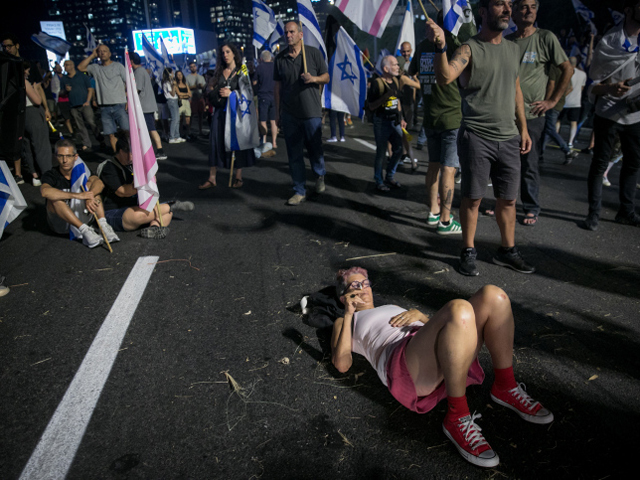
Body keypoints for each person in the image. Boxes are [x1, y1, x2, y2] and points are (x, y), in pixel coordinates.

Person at [331, 267, 553, 468]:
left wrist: (423, 317)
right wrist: (349, 313)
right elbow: (342, 364)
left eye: (366, 283)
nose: (363, 289)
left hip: (435, 352)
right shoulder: (345, 322)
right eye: (355, 286)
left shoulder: (389, 306)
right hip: (403, 364)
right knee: (459, 307)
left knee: (494, 295)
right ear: (344, 297)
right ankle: (457, 417)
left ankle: (505, 386)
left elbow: (452, 329)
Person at [426, 0, 534, 276]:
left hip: (509, 137)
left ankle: (507, 251)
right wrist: (440, 47)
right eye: (500, 4)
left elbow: (516, 89)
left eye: (510, 4)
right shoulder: (468, 48)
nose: (508, 9)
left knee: (508, 200)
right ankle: (467, 250)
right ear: (483, 12)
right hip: (477, 137)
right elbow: (445, 77)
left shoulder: (513, 48)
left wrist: (523, 128)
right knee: (473, 198)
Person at [506, 0, 574, 227]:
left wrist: (552, 101)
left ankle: (531, 207)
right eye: (523, 6)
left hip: (533, 116)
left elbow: (567, 68)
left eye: (533, 6)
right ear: (513, 13)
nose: (529, 10)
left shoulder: (545, 37)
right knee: (505, 163)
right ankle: (505, 202)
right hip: (507, 116)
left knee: (529, 164)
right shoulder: (507, 41)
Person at [409, 11, 475, 235]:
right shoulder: (454, 43)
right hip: (451, 117)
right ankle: (446, 222)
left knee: (433, 166)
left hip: (430, 116)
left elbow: (413, 73)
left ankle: (433, 212)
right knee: (449, 169)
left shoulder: (421, 46)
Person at [582, 0, 640, 230]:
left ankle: (626, 211)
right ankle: (593, 214)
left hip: (635, 116)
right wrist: (610, 88)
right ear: (628, 10)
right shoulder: (609, 41)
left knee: (633, 165)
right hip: (608, 113)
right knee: (599, 164)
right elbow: (593, 82)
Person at [274, 21, 329, 206]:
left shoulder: (313, 53)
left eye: (292, 32)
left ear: (300, 34)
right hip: (289, 113)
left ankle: (319, 174)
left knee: (315, 149)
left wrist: (313, 78)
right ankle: (299, 190)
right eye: (286, 32)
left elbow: (326, 77)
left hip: (311, 111)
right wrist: (278, 111)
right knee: (294, 154)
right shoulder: (280, 58)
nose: (288, 35)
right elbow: (277, 87)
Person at [99, 132, 194, 239]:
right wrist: (143, 183)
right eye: (129, 153)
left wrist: (150, 177)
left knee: (167, 213)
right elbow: (122, 192)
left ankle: (154, 228)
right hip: (114, 212)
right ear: (120, 151)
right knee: (139, 216)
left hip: (135, 207)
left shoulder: (132, 164)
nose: (132, 157)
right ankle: (171, 205)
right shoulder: (109, 167)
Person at [40, 139, 119, 248]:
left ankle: (103, 225)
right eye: (61, 156)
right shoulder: (51, 174)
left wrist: (89, 196)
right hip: (62, 224)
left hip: (84, 215)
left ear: (75, 157)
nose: (64, 160)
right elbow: (44, 192)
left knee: (92, 188)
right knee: (55, 198)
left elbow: (99, 183)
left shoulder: (80, 171)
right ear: (56, 157)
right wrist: (77, 195)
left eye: (68, 156)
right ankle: (84, 230)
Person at [199, 43, 256, 190]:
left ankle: (238, 176)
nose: (225, 55)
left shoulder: (241, 71)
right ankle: (212, 178)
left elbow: (248, 93)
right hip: (219, 113)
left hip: (236, 114)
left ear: (234, 53)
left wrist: (232, 94)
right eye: (223, 52)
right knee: (215, 143)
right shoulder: (218, 72)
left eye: (228, 51)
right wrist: (212, 90)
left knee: (237, 144)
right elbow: (210, 89)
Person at [368, 56, 418, 192]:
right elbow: (371, 106)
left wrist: (401, 118)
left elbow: (398, 101)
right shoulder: (376, 83)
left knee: (398, 149)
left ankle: (389, 176)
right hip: (381, 122)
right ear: (386, 68)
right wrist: (385, 96)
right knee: (381, 152)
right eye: (395, 65)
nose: (398, 67)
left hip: (394, 121)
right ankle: (378, 180)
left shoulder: (396, 81)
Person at [77, 44, 129, 153]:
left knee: (126, 132)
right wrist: (92, 55)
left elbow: (128, 83)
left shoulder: (118, 66)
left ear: (109, 54)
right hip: (104, 107)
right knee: (110, 134)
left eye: (105, 51)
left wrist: (128, 101)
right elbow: (80, 67)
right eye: (100, 51)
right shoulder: (95, 68)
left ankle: (130, 153)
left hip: (119, 104)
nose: (102, 53)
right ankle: (118, 156)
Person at [129, 53, 167, 160]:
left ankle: (160, 150)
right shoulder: (142, 71)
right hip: (147, 105)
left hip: (144, 106)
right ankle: (155, 150)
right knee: (149, 129)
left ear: (131, 61)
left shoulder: (139, 72)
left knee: (151, 128)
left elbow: (137, 90)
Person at [60, 60, 97, 152]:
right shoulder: (64, 79)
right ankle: (87, 144)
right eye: (64, 65)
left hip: (85, 103)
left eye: (67, 65)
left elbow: (90, 89)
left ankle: (100, 138)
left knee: (91, 122)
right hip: (73, 105)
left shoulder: (82, 76)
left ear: (72, 65)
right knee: (80, 126)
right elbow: (61, 92)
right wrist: (66, 90)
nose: (65, 67)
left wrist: (89, 101)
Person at [558, 57, 587, 150]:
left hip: (564, 101)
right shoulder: (583, 74)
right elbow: (582, 88)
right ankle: (570, 142)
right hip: (576, 102)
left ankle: (556, 138)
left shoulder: (566, 71)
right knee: (573, 123)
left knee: (558, 120)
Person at [254, 50, 278, 148]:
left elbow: (254, 82)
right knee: (273, 121)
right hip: (274, 96)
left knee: (263, 120)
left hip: (263, 96)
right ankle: (274, 142)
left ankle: (263, 141)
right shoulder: (275, 67)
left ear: (261, 59)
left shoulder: (260, 67)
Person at [162, 67, 184, 144]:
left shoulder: (170, 81)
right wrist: (174, 85)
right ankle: (171, 137)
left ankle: (177, 136)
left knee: (177, 119)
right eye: (172, 72)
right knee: (174, 119)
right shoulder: (166, 82)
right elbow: (172, 93)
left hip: (174, 100)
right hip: (171, 101)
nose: (173, 74)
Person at [186, 62, 206, 137]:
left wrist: (201, 87)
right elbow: (187, 87)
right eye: (191, 67)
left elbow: (204, 87)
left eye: (194, 66)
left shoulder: (201, 77)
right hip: (192, 99)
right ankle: (189, 131)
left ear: (196, 67)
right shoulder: (188, 77)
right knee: (191, 115)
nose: (193, 68)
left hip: (200, 98)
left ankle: (200, 131)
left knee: (201, 115)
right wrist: (195, 86)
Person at [175, 70, 192, 139]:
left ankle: (187, 133)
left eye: (181, 74)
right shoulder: (176, 85)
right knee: (180, 119)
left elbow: (190, 94)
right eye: (178, 75)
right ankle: (180, 133)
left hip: (187, 102)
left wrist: (183, 95)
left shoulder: (185, 84)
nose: (180, 76)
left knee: (188, 118)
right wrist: (186, 95)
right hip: (180, 102)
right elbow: (179, 94)